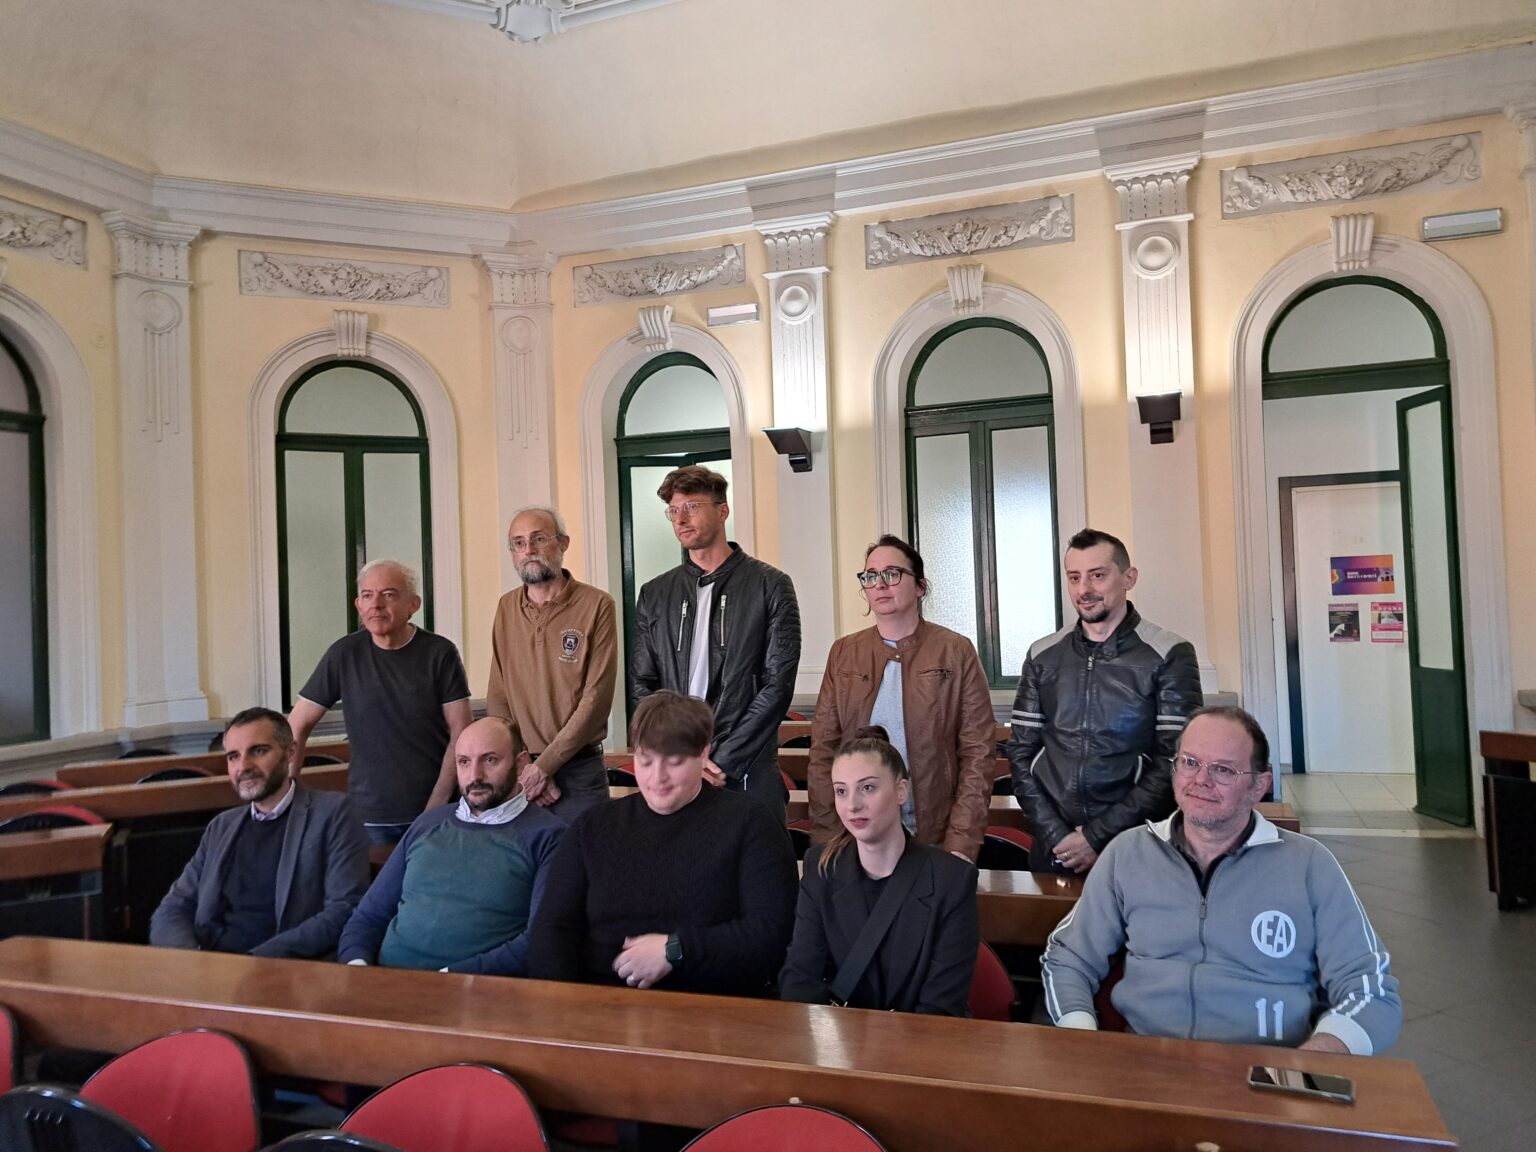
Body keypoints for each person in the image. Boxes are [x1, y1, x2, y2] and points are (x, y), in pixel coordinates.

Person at [1040, 706, 1401, 1055]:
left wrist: (1312, 1061)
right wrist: (1083, 1040)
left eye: (1223, 770)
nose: (1201, 780)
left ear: (1259, 785)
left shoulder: (1309, 865)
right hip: (1147, 1062)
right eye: (1190, 762)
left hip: (1267, 1067)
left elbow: (1371, 991)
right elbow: (1068, 957)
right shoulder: (1128, 853)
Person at [529, 691, 796, 996]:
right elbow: (552, 929)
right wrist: (562, 1004)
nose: (658, 778)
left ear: (703, 754)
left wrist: (677, 950)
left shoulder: (751, 823)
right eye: (645, 761)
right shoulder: (592, 826)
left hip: (712, 1003)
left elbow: (770, 933)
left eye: (674, 762)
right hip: (601, 1001)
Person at [1006, 528, 1201, 873]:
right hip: (1056, 847)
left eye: (1097, 575)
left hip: (1139, 844)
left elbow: (1175, 762)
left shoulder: (1170, 653)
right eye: (1074, 577)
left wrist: (1096, 837)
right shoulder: (1042, 655)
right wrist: (1057, 835)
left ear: (1129, 578)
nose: (1084, 589)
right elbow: (1021, 754)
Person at [807, 535, 994, 862]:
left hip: (934, 834)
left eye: (892, 574)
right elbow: (824, 751)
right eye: (870, 576)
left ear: (920, 586)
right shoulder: (844, 653)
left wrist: (961, 843)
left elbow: (978, 754)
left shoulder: (955, 650)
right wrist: (828, 840)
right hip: (856, 838)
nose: (880, 584)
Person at [628, 465, 800, 820]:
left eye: (692, 507)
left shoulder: (770, 585)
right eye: (674, 510)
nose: (681, 519)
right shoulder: (655, 593)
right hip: (677, 768)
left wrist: (722, 759)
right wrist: (679, 754)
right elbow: (642, 684)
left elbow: (777, 685)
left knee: (757, 854)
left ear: (723, 511)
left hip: (747, 765)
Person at [338, 717, 564, 975]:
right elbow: (368, 916)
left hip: (473, 988)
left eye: (490, 760)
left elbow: (539, 939)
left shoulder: (548, 836)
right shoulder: (428, 823)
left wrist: (449, 980)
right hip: (380, 980)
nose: (475, 776)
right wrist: (357, 966)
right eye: (464, 762)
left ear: (521, 763)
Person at [780, 727, 978, 1015]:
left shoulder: (953, 880)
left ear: (901, 791)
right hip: (836, 1038)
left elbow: (941, 1007)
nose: (852, 805)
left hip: (918, 1039)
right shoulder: (820, 868)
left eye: (868, 788)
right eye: (841, 791)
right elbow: (799, 978)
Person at [150, 707, 369, 958]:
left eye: (259, 751)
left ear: (290, 752)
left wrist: (252, 964)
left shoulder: (333, 814)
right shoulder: (222, 826)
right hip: (211, 964)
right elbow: (173, 907)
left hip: (283, 966)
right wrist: (193, 959)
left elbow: (343, 909)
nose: (243, 766)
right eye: (233, 756)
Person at [289, 559, 473, 845]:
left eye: (388, 594)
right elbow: (295, 726)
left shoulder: (439, 653)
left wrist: (438, 802)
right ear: (358, 605)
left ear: (413, 604)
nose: (376, 604)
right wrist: (287, 794)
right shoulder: (344, 654)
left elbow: (461, 731)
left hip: (436, 809)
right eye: (367, 595)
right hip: (368, 815)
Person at [486, 505, 617, 819]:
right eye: (518, 543)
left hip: (580, 772)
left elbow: (595, 699)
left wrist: (544, 767)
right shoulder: (506, 607)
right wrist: (525, 766)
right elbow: (499, 697)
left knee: (585, 851)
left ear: (563, 543)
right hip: (520, 771)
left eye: (539, 539)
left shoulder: (597, 605)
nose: (528, 550)